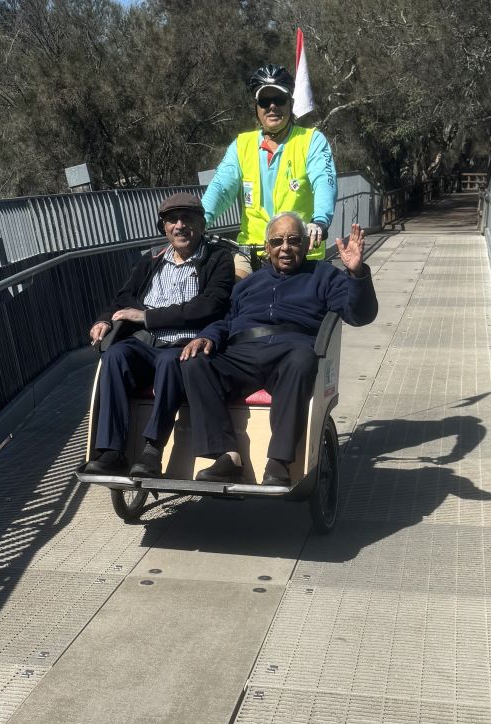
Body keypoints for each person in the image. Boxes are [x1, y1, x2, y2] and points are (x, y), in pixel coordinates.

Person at [179, 213, 376, 485]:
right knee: (195, 362)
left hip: (291, 350)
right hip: (243, 352)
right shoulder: (248, 284)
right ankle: (226, 455)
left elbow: (360, 315)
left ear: (306, 245)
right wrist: (207, 336)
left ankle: (279, 461)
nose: (285, 248)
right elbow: (226, 321)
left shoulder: (324, 276)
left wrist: (356, 273)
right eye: (277, 241)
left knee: (302, 360)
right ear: (266, 247)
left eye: (293, 240)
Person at [80, 192, 235, 478]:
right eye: (172, 220)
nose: (180, 225)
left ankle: (152, 451)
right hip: (145, 343)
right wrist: (104, 320)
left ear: (202, 224)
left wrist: (148, 317)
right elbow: (124, 297)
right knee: (115, 356)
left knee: (168, 361)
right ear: (163, 227)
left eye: (187, 219)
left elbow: (210, 305)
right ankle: (111, 451)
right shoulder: (152, 259)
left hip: (184, 342)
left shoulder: (218, 259)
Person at [202, 64, 337, 279]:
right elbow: (221, 187)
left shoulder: (311, 140)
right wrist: (199, 220)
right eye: (265, 101)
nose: (272, 106)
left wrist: (320, 221)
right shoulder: (242, 144)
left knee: (299, 298)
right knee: (231, 289)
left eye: (279, 99)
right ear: (256, 108)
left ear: (290, 103)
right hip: (251, 250)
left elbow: (324, 182)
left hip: (296, 250)